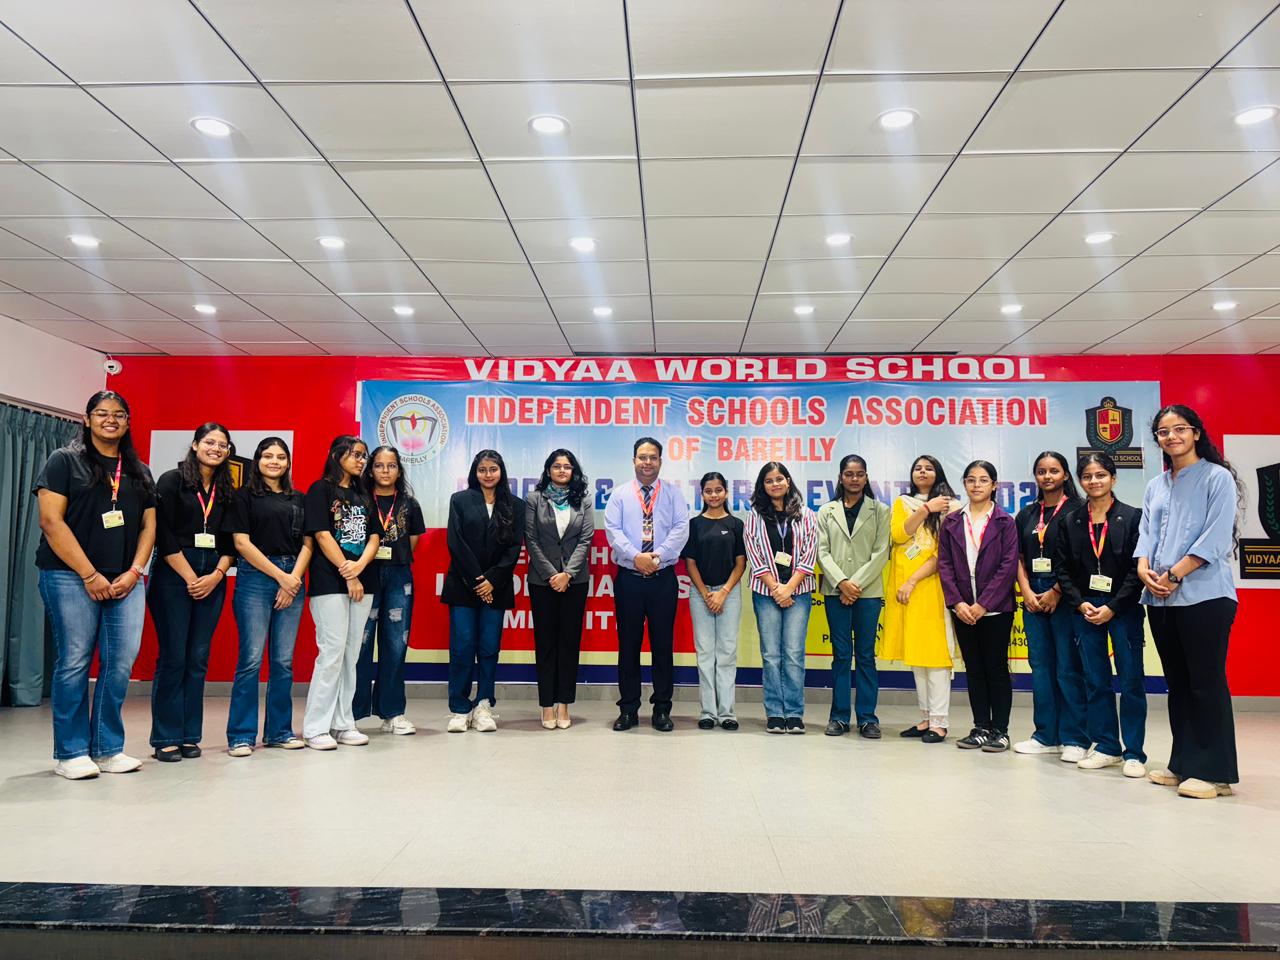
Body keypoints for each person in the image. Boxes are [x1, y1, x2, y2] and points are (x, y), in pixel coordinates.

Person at [34, 390, 156, 779]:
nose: (110, 420)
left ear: (128, 422)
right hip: (69, 575)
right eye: (101, 413)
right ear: (87, 420)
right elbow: (51, 521)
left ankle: (107, 748)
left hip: (125, 580)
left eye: (119, 414)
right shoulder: (64, 460)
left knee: (120, 663)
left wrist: (135, 571)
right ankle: (70, 753)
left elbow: (149, 526)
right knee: (74, 661)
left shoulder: (139, 470)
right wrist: (89, 574)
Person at [1136, 405, 1243, 800]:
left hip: (1205, 596)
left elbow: (1216, 537)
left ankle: (1214, 773)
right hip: (1160, 599)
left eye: (1180, 429)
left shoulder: (1217, 478)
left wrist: (1175, 573)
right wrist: (1143, 567)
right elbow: (1146, 533)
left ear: (1196, 433)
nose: (1172, 437)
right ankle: (1183, 763)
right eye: (1164, 432)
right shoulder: (1156, 484)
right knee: (1178, 685)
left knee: (1205, 683)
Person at [148, 422, 236, 762]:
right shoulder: (172, 481)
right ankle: (165, 737)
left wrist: (216, 575)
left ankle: (188, 735)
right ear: (196, 444)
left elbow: (232, 540)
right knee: (174, 657)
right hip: (174, 575)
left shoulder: (227, 489)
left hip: (213, 576)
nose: (216, 448)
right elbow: (162, 533)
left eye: (222, 445)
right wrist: (189, 576)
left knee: (198, 658)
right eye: (210, 442)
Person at [1055, 453, 1146, 778]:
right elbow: (1063, 570)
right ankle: (1107, 746)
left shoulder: (1133, 517)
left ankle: (1134, 753)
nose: (1094, 481)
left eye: (1101, 475)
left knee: (1131, 681)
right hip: (1086, 610)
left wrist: (1113, 606)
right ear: (1080, 481)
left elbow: (1138, 569)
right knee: (1095, 681)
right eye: (1087, 476)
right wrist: (1080, 603)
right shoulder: (1070, 521)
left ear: (1113, 478)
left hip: (1123, 609)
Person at [225, 437, 313, 755]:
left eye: (280, 457)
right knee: (250, 660)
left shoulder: (299, 498)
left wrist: (293, 580)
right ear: (258, 460)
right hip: (256, 577)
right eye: (267, 456)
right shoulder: (243, 496)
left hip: (293, 576)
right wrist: (281, 578)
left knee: (283, 662)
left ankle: (279, 731)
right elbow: (241, 543)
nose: (274, 461)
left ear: (288, 462)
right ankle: (241, 735)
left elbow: (308, 543)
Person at [603, 437, 690, 732]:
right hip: (629, 579)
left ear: (660, 461)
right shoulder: (619, 495)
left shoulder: (674, 494)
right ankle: (628, 709)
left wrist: (658, 556)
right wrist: (636, 557)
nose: (647, 462)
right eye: (642, 457)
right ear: (634, 460)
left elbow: (680, 529)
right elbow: (613, 531)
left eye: (653, 457)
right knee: (628, 646)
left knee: (662, 646)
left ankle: (662, 709)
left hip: (663, 579)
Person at [302, 435, 381, 750]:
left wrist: (359, 566)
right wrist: (348, 572)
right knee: (331, 652)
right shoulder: (320, 490)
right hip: (330, 582)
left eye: (364, 456)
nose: (361, 461)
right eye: (356, 455)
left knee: (351, 656)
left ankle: (343, 722)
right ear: (337, 455)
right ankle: (315, 727)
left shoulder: (363, 494)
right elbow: (322, 535)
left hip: (363, 580)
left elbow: (374, 536)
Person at [937, 460, 1019, 752]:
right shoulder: (952, 522)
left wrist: (983, 604)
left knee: (996, 668)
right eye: (971, 480)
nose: (976, 485)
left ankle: (1000, 730)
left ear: (994, 485)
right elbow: (945, 565)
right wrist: (958, 602)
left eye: (983, 480)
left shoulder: (1005, 522)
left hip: (995, 609)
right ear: (964, 484)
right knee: (973, 669)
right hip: (962, 609)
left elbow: (1008, 566)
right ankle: (981, 727)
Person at [442, 449, 525, 733]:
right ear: (474, 473)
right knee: (462, 647)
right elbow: (455, 542)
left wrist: (492, 580)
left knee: (489, 648)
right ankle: (459, 708)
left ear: (501, 472)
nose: (488, 475)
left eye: (493, 469)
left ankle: (484, 705)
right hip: (464, 585)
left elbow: (513, 548)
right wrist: (479, 581)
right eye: (482, 470)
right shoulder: (460, 500)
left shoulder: (515, 505)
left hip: (496, 587)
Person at [1012, 451, 1088, 761]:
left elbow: (1081, 557)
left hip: (1065, 595)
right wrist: (1027, 591)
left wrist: (1057, 591)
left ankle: (1075, 738)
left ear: (1066, 475)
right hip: (1033, 595)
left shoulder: (1078, 510)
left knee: (1068, 668)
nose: (1047, 476)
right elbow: (1018, 557)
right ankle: (1045, 735)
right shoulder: (1027, 513)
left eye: (1054, 471)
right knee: (1041, 667)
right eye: (1041, 471)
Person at [880, 455, 960, 744]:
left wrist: (914, 580)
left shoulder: (952, 506)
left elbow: (945, 553)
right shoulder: (904, 503)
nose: (922, 472)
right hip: (904, 589)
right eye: (918, 468)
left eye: (928, 468)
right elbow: (899, 535)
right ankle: (926, 718)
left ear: (938, 473)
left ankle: (939, 722)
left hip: (933, 587)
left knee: (935, 657)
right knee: (917, 657)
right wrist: (926, 509)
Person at [816, 455, 890, 739]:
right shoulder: (827, 511)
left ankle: (868, 718)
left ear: (866, 477)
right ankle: (839, 717)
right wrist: (842, 583)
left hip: (867, 594)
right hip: (835, 592)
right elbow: (822, 552)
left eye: (859, 474)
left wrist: (854, 584)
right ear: (841, 477)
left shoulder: (880, 510)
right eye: (849, 474)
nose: (854, 479)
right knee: (841, 655)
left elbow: (881, 552)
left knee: (866, 656)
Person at [743, 461, 819, 734]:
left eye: (779, 479)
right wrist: (776, 588)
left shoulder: (807, 515)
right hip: (766, 593)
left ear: (788, 481)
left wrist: (789, 588)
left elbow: (810, 554)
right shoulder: (754, 516)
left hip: (799, 592)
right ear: (762, 486)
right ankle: (775, 712)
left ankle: (795, 713)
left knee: (794, 654)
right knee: (771, 655)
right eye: (769, 480)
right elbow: (754, 555)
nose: (775, 484)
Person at [354, 445, 426, 736]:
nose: (385, 471)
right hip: (364, 575)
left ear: (399, 470)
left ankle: (392, 712)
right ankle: (351, 714)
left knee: (396, 645)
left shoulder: (409, 504)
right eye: (379, 465)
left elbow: (413, 541)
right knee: (359, 645)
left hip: (398, 576)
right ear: (370, 469)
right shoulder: (359, 500)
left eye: (391, 465)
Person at [525, 449, 594, 730]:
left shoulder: (584, 501)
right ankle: (546, 705)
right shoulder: (534, 499)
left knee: (569, 643)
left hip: (575, 582)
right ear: (548, 470)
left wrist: (568, 574)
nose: (562, 470)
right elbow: (530, 538)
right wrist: (552, 574)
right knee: (545, 644)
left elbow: (586, 539)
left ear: (573, 471)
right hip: (542, 581)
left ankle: (564, 704)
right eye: (557, 466)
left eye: (567, 466)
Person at [681, 471, 746, 730]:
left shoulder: (736, 524)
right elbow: (690, 563)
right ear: (702, 494)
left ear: (726, 492)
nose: (714, 495)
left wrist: (723, 592)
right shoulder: (694, 524)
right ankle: (708, 712)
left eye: (718, 490)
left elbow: (741, 563)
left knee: (727, 652)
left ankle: (727, 713)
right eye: (708, 491)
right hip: (701, 595)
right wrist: (706, 593)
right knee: (705, 653)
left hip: (729, 593)